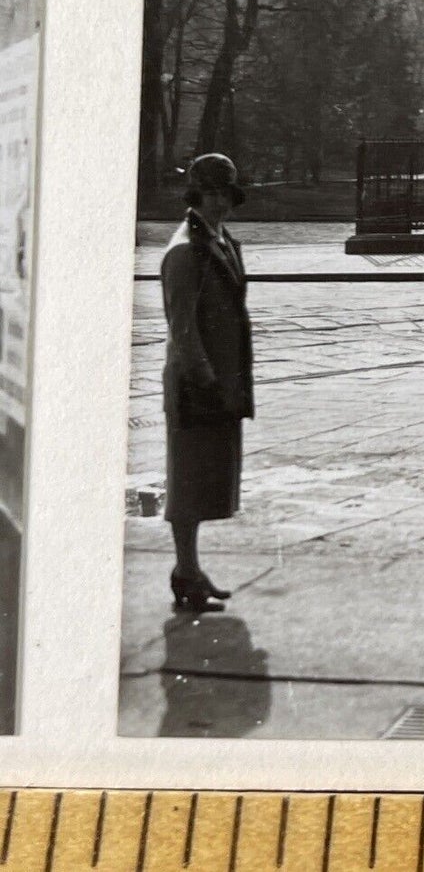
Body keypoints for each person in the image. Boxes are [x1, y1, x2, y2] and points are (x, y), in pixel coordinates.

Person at [160, 154, 254, 615]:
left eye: (225, 194)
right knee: (187, 484)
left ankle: (190, 570)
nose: (219, 202)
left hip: (219, 381)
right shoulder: (185, 250)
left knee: (202, 481)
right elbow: (182, 329)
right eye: (211, 193)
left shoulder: (221, 240)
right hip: (196, 384)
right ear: (196, 195)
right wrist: (204, 380)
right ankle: (186, 572)